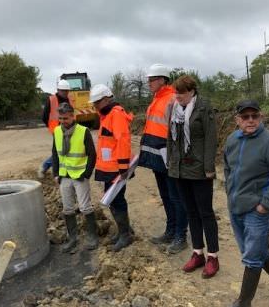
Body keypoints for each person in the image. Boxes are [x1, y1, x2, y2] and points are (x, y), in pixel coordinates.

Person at [224, 100, 269, 307]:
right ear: (237, 119)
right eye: (245, 116)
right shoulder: (232, 140)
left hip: (259, 211)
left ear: (261, 117)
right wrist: (230, 194)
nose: (250, 120)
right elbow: (228, 168)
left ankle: (243, 302)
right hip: (236, 207)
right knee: (254, 252)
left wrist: (265, 205)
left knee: (252, 257)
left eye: (254, 116)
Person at [167, 75, 219, 279]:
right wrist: (171, 163)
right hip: (180, 170)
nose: (177, 96)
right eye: (176, 92)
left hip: (199, 170)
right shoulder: (174, 108)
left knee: (205, 212)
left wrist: (208, 168)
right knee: (190, 212)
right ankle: (198, 253)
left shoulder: (203, 107)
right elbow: (170, 138)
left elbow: (210, 138)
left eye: (181, 93)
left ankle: (213, 256)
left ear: (192, 91)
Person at [138, 64, 188, 254]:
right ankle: (171, 230)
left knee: (176, 197)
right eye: (149, 80)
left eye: (152, 80)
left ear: (162, 80)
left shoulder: (172, 100)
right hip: (157, 158)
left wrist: (175, 156)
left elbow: (180, 132)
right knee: (166, 196)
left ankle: (180, 236)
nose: (149, 83)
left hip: (170, 158)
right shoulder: (156, 100)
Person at [89, 84, 134, 252]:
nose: (95, 106)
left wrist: (123, 168)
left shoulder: (116, 115)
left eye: (97, 102)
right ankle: (124, 231)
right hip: (109, 168)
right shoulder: (106, 115)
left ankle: (125, 235)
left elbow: (122, 140)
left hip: (116, 168)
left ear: (107, 99)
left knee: (117, 200)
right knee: (112, 200)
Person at [51, 102, 98, 253]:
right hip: (64, 176)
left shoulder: (83, 131)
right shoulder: (57, 131)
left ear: (73, 116)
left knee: (85, 207)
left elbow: (92, 154)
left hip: (79, 176)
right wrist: (56, 173)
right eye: (60, 118)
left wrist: (87, 173)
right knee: (68, 208)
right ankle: (73, 238)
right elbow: (55, 154)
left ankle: (92, 236)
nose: (63, 121)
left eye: (65, 118)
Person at [39, 79, 74, 178]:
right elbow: (44, 116)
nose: (65, 93)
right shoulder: (51, 99)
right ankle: (45, 166)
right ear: (58, 90)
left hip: (69, 129)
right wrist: (51, 128)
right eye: (63, 90)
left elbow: (72, 115)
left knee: (67, 149)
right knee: (58, 151)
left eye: (67, 91)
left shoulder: (70, 99)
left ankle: (63, 168)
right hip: (56, 130)